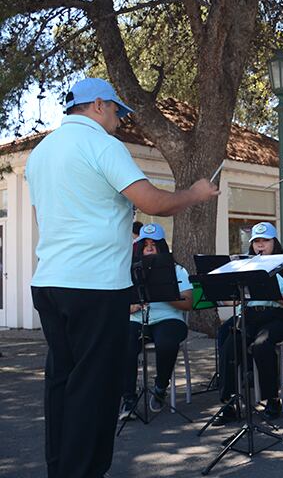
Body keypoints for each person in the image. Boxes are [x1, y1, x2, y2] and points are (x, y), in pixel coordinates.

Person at [25, 77, 218, 478]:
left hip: (50, 281)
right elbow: (152, 202)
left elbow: (54, 212)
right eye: (116, 111)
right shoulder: (100, 144)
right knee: (93, 388)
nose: (119, 121)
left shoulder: (41, 152)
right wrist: (196, 194)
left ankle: (61, 468)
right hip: (94, 284)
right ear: (98, 105)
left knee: (62, 381)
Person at [213, 222, 283, 425]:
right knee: (230, 344)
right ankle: (230, 402)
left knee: (262, 346)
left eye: (265, 241)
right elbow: (235, 299)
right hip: (250, 315)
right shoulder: (246, 266)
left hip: (277, 316)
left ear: (274, 242)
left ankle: (272, 399)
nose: (260, 246)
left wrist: (271, 292)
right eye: (256, 242)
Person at [119, 223, 192, 419]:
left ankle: (160, 387)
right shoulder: (128, 269)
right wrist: (130, 306)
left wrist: (166, 294)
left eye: (154, 244)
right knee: (124, 342)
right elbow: (117, 300)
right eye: (145, 244)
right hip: (137, 318)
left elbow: (189, 302)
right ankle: (129, 400)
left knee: (166, 342)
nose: (149, 248)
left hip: (168, 318)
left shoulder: (177, 270)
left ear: (162, 247)